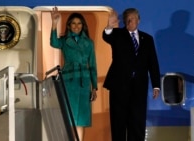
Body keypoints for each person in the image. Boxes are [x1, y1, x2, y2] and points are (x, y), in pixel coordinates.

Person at [102, 8, 161, 141]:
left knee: (137, 122)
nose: (130, 21)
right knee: (118, 122)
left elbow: (153, 63)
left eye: (133, 18)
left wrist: (156, 85)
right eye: (127, 19)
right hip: (119, 87)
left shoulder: (147, 39)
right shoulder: (117, 34)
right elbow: (107, 36)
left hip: (139, 87)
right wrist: (109, 27)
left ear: (138, 20)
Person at [50, 7, 98, 141]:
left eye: (79, 23)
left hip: (83, 83)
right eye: (73, 23)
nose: (76, 26)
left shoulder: (89, 43)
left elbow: (92, 65)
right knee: (68, 116)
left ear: (83, 26)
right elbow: (53, 42)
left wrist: (94, 87)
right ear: (69, 26)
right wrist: (54, 23)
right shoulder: (64, 41)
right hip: (68, 82)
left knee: (81, 118)